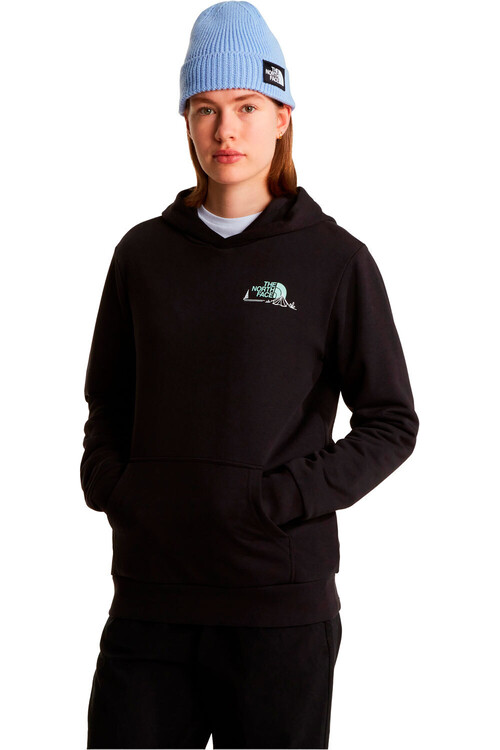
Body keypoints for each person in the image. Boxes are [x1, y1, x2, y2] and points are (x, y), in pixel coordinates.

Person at [81, 2, 419, 748]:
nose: (225, 131)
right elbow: (108, 398)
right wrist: (115, 486)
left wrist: (282, 499)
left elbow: (392, 422)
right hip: (150, 603)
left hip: (278, 612)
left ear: (282, 116)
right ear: (187, 121)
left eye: (246, 106)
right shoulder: (142, 255)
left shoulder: (335, 260)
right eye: (205, 109)